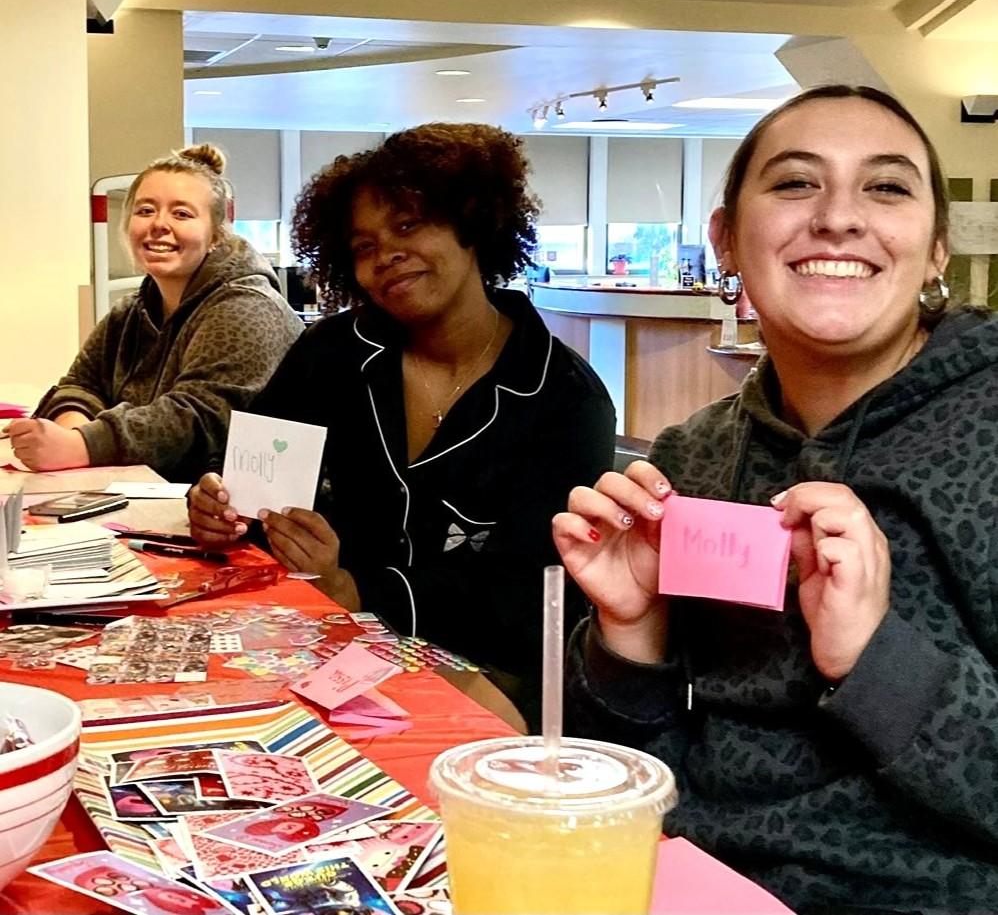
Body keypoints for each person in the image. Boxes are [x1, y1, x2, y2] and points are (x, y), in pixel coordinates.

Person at [554, 85, 998, 913]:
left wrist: (875, 656)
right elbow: (628, 779)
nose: (838, 217)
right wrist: (629, 634)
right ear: (725, 237)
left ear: (936, 247)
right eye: (795, 182)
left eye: (888, 186)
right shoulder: (696, 454)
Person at [188, 123, 615, 727]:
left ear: (473, 224)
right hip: (325, 630)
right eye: (363, 246)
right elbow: (257, 477)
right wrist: (221, 506)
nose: (385, 254)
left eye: (409, 226)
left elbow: (530, 597)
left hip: (490, 665)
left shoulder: (562, 398)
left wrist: (360, 590)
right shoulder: (334, 353)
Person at [8, 145, 302, 482]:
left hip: (242, 516)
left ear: (217, 235)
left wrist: (82, 445)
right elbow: (81, 384)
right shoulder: (131, 312)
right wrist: (70, 435)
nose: (159, 224)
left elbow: (200, 420)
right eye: (145, 210)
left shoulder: (247, 309)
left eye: (182, 214)